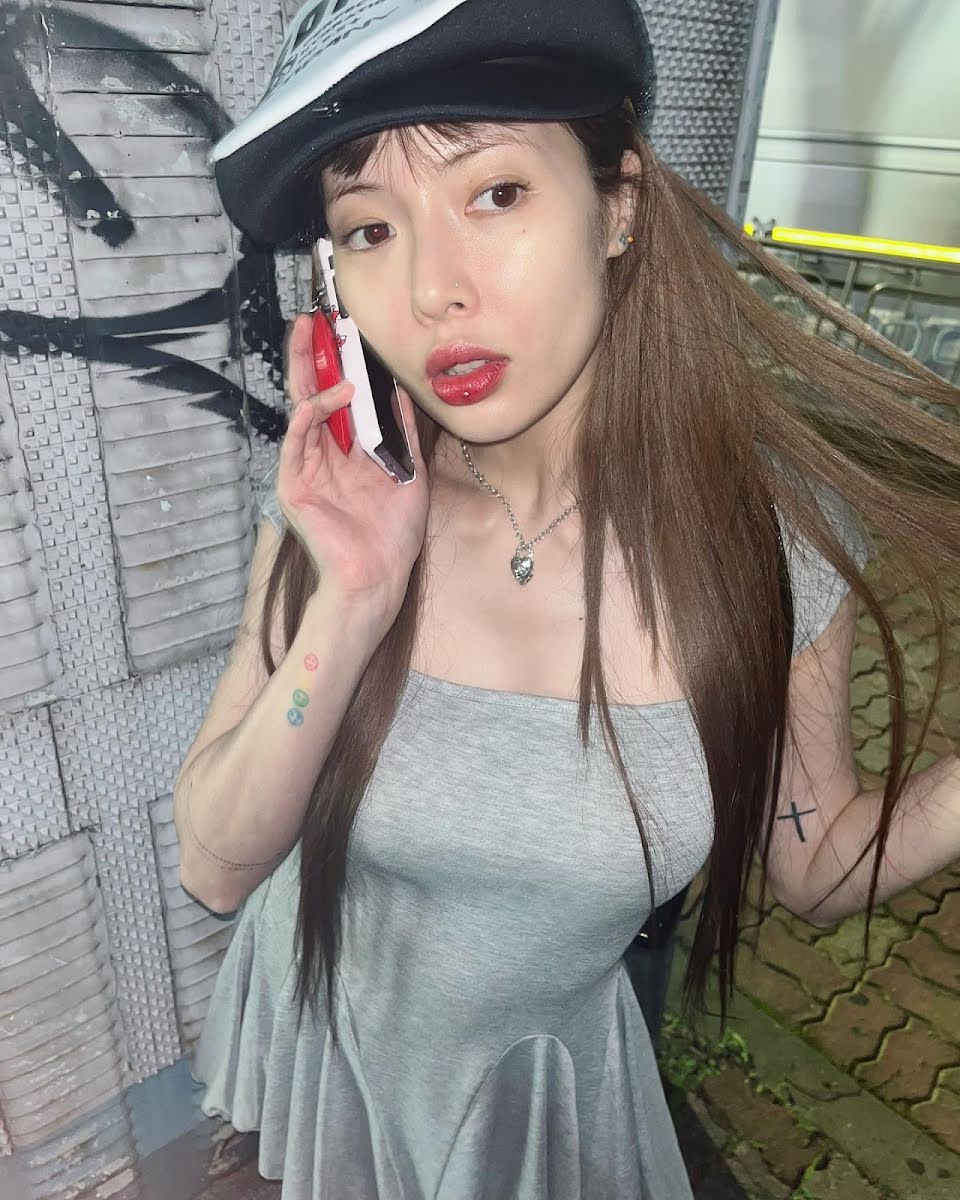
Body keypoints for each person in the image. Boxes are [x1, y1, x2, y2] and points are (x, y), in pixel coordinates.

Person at [176, 1, 960, 1196]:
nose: (433, 291)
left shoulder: (771, 549)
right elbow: (217, 869)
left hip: (537, 1108)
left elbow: (816, 866)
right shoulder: (343, 503)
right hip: (323, 1043)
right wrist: (355, 596)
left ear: (618, 206)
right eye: (371, 228)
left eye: (494, 193)